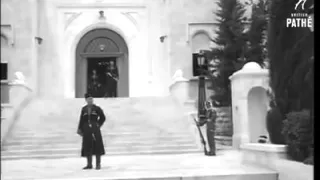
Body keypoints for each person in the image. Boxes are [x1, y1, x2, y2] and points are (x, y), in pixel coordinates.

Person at [77, 93, 106, 170]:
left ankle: (98, 164)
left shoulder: (97, 108)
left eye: (91, 99)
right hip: (86, 129)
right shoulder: (84, 109)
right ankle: (89, 164)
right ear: (86, 100)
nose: (90, 100)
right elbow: (81, 119)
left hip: (95, 128)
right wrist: (80, 129)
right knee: (87, 146)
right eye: (89, 99)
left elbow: (103, 117)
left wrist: (98, 124)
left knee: (97, 146)